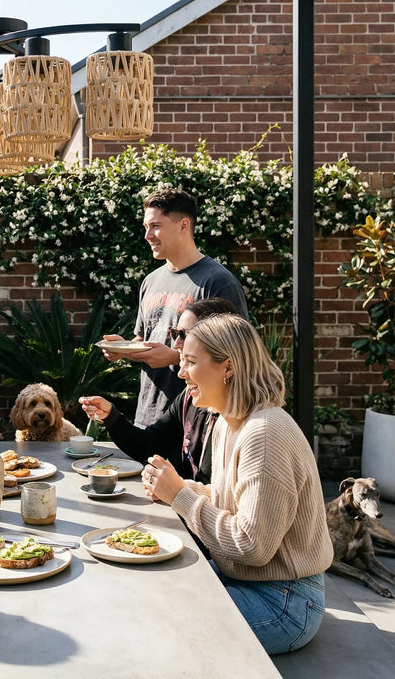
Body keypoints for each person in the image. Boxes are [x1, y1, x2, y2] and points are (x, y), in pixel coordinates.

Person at [141, 314, 333, 654]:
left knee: (159, 622)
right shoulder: (227, 424)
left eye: (190, 362)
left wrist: (181, 496)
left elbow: (252, 545)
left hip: (285, 603)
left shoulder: (265, 432)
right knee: (148, 589)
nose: (181, 372)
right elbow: (231, 501)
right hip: (246, 580)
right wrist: (175, 490)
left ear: (227, 368)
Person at [103, 188, 248, 428]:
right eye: (145, 227)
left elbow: (236, 355)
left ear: (183, 225)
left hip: (196, 421)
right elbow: (144, 338)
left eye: (156, 226)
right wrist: (124, 348)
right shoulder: (151, 280)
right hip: (147, 419)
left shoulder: (218, 282)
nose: (148, 235)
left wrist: (172, 357)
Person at [80, 297, 239, 483]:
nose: (176, 344)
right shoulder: (190, 398)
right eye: (175, 333)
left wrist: (176, 492)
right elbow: (149, 445)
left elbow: (218, 496)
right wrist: (110, 416)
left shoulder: (242, 421)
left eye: (185, 335)